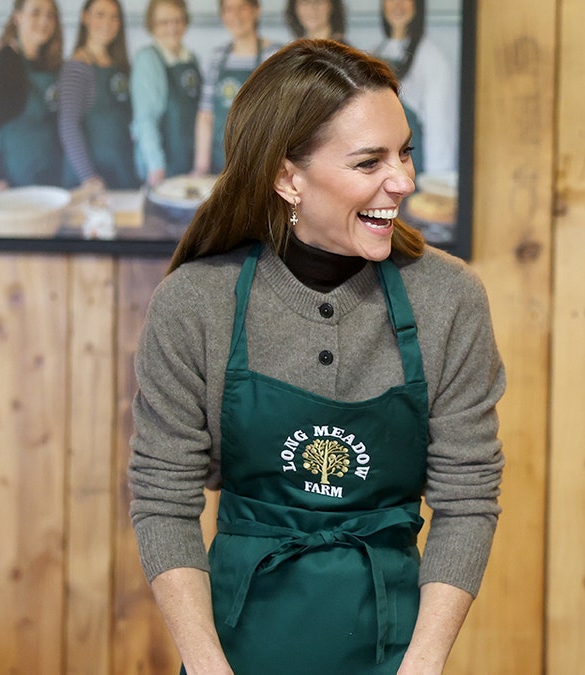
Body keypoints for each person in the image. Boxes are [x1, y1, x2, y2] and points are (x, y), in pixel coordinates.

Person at [127, 39, 506, 674]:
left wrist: (423, 663)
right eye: (369, 162)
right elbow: (163, 498)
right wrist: (206, 664)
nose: (404, 181)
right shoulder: (195, 303)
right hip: (232, 650)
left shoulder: (448, 298)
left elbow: (468, 497)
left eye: (405, 152)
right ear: (287, 177)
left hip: (396, 650)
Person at [0, 0, 65, 193]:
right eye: (36, 13)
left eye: (50, 15)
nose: (44, 21)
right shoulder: (2, 65)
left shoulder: (56, 66)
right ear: (18, 17)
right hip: (17, 181)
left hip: (56, 179)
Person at [58, 0, 141, 190]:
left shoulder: (119, 66)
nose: (107, 23)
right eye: (100, 15)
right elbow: (68, 126)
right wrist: (89, 177)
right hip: (94, 179)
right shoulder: (78, 67)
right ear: (84, 17)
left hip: (121, 169)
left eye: (114, 17)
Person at [192, 0, 281, 175]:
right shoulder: (218, 56)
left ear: (257, 11)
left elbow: (283, 117)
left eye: (243, 8)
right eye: (228, 10)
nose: (236, 16)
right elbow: (206, 115)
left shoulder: (275, 55)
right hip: (221, 165)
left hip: (261, 166)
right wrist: (201, 167)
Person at [373, 0, 457, 175]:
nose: (398, 4)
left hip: (413, 174)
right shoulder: (376, 53)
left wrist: (435, 182)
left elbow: (439, 126)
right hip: (380, 169)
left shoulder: (433, 59)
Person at [130, 0, 201, 187]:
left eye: (178, 20)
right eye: (164, 22)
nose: (173, 27)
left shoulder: (191, 58)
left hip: (191, 164)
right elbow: (145, 120)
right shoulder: (148, 59)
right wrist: (156, 166)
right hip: (163, 167)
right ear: (151, 26)